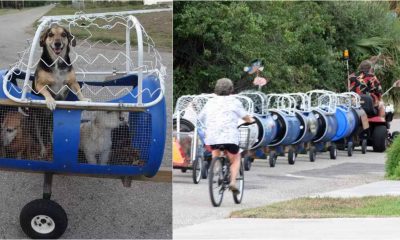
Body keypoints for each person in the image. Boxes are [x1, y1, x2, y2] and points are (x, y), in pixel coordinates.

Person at [198, 78, 255, 193]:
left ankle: (217, 165)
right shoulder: (234, 101)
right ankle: (233, 182)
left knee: (215, 150)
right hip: (230, 137)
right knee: (236, 159)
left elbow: (201, 118)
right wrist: (250, 120)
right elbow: (245, 117)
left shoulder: (210, 102)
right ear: (231, 89)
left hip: (212, 136)